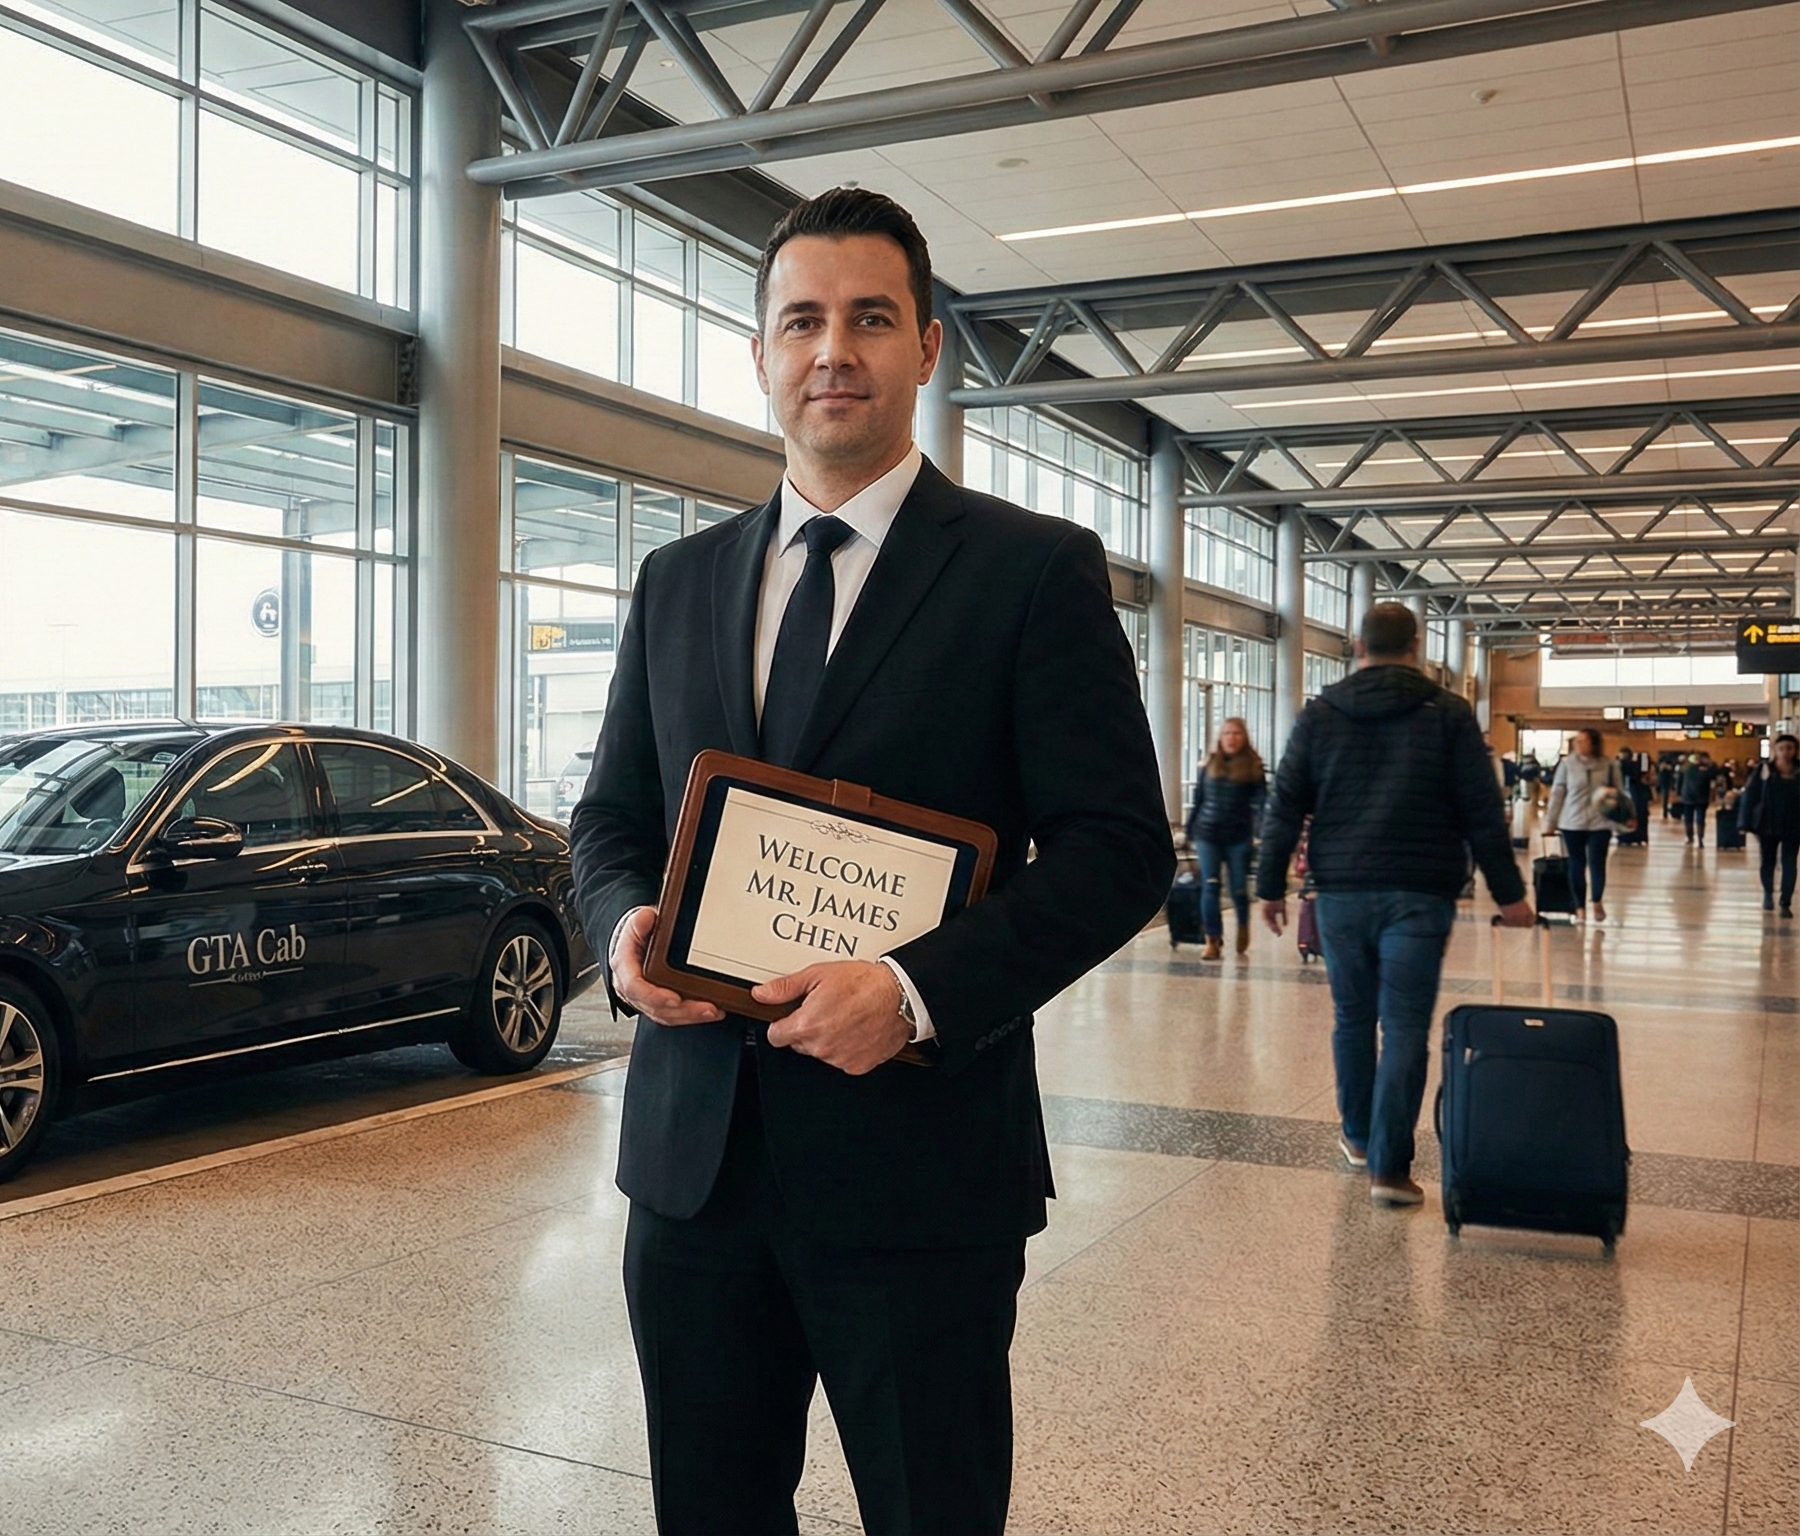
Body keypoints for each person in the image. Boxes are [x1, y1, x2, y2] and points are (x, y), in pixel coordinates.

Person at [570, 188, 1171, 1535]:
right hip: (695, 1169)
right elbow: (607, 819)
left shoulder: (1031, 572)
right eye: (802, 321)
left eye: (869, 318)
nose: (832, 350)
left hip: (920, 1168)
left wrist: (914, 991)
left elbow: (1119, 849)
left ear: (927, 348)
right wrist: (622, 934)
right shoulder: (678, 582)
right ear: (760, 354)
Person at [1256, 602, 1530, 1210]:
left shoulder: (1321, 713)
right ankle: (1389, 1167)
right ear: (1417, 645)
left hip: (1342, 890)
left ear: (1357, 646)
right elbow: (1481, 812)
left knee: (1352, 1019)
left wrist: (1270, 885)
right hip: (1421, 891)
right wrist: (1510, 895)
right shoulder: (1449, 713)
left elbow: (1285, 803)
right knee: (1404, 1026)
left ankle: (1358, 1137)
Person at [1187, 718, 1268, 960]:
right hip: (1207, 833)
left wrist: (1260, 832)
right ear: (1220, 738)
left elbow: (1262, 804)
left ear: (1244, 737)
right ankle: (1212, 939)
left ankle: (1243, 925)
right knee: (1210, 885)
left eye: (1236, 733)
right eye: (1226, 733)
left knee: (1239, 889)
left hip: (1238, 836)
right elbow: (1199, 799)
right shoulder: (1209, 764)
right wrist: (1189, 831)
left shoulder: (1253, 767)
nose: (1231, 738)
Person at [1540, 726, 1618, 923]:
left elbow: (1620, 793)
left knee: (1597, 864)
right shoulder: (1567, 765)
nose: (1578, 744)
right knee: (1576, 865)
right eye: (1577, 741)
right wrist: (1550, 823)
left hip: (1600, 823)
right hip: (1572, 822)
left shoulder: (1609, 765)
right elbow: (1557, 794)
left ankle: (1597, 901)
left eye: (1583, 741)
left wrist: (1613, 798)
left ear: (1593, 743)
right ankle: (1579, 907)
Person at [1745, 734, 1800, 916]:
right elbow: (1750, 796)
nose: (1786, 752)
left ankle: (1785, 901)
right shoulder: (1764, 770)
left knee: (1789, 862)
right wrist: (1744, 822)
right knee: (1767, 861)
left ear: (1795, 750)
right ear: (1775, 750)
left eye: (1790, 748)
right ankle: (1768, 892)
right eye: (1782, 748)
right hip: (1768, 823)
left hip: (1794, 824)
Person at [1678, 752, 1715, 845]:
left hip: (1687, 796)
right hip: (1702, 797)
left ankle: (1689, 837)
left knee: (1688, 818)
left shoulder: (1685, 768)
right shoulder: (1706, 769)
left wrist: (1679, 793)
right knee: (1700, 818)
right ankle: (1700, 838)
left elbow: (1679, 782)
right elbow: (1713, 776)